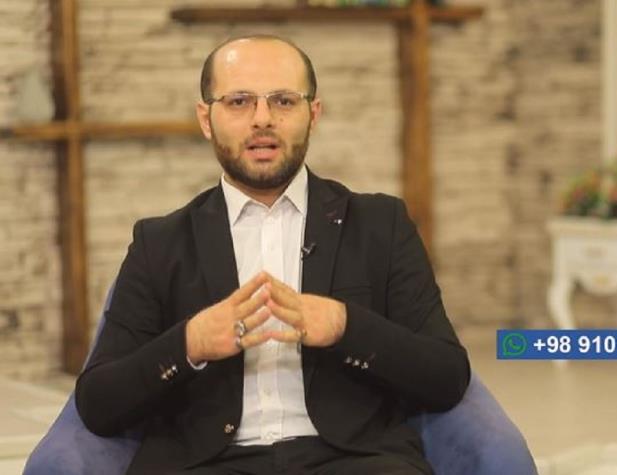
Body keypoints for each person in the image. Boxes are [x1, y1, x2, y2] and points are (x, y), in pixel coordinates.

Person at [74, 34, 470, 475]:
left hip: (353, 459)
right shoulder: (160, 242)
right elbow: (98, 402)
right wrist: (190, 343)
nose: (262, 119)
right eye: (238, 101)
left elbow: (447, 376)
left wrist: (347, 327)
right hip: (205, 463)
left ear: (313, 114)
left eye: (283, 101)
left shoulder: (381, 223)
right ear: (206, 119)